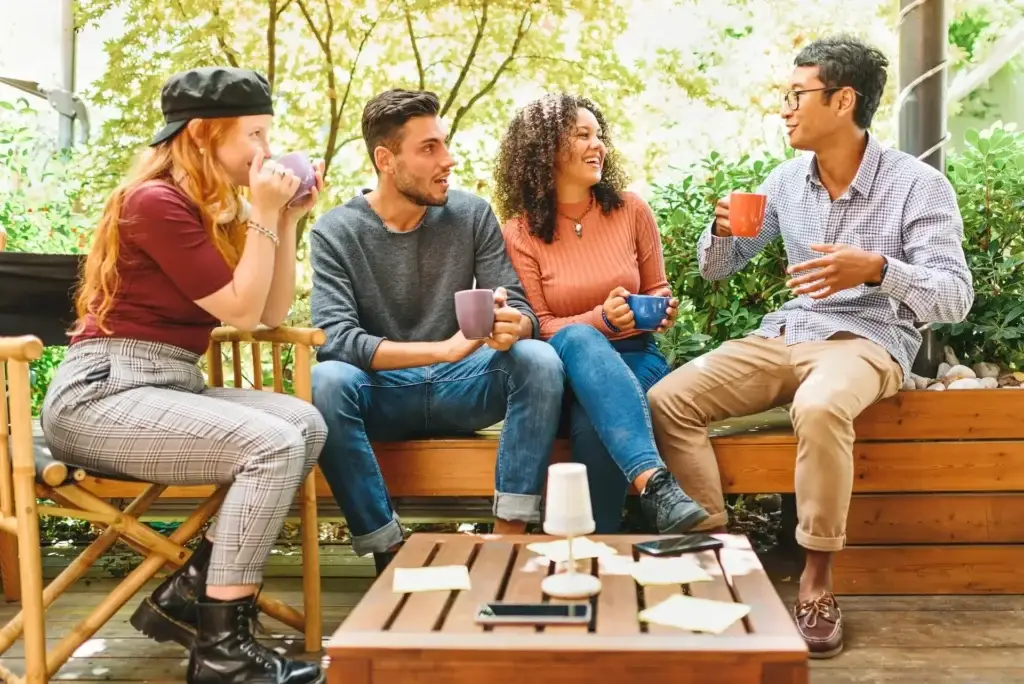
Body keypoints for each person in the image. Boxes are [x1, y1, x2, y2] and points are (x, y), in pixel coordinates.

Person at [646, 36, 974, 658]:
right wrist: (717, 235)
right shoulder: (785, 181)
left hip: (867, 340)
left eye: (796, 95)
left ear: (843, 99)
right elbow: (719, 270)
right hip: (787, 333)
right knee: (668, 399)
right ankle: (720, 557)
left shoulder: (917, 186)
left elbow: (955, 297)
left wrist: (877, 269)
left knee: (820, 408)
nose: (785, 109)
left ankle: (817, 581)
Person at [40, 67, 327, 684]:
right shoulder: (154, 202)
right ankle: (223, 650)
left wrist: (286, 220)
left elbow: (268, 315)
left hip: (168, 386)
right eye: (254, 134)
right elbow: (243, 311)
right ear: (201, 134)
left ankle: (188, 594)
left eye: (268, 134)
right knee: (270, 444)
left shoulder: (211, 209)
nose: (267, 152)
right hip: (101, 395)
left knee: (303, 423)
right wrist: (264, 213)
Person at [309, 89, 564, 573]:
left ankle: (507, 543)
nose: (448, 160)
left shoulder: (471, 215)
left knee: (539, 359)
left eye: (444, 144)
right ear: (385, 159)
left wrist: (517, 324)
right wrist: (443, 351)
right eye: (429, 149)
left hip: (461, 387)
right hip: (383, 393)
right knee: (327, 382)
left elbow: (519, 303)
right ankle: (388, 551)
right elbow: (336, 340)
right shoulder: (335, 232)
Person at [494, 93, 709, 535]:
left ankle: (598, 548)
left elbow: (657, 289)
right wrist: (601, 321)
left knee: (593, 423)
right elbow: (538, 324)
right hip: (563, 369)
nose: (599, 145)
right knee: (577, 339)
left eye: (599, 135)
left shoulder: (631, 210)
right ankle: (656, 486)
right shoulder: (518, 233)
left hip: (636, 357)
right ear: (545, 148)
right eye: (582, 135)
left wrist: (660, 311)